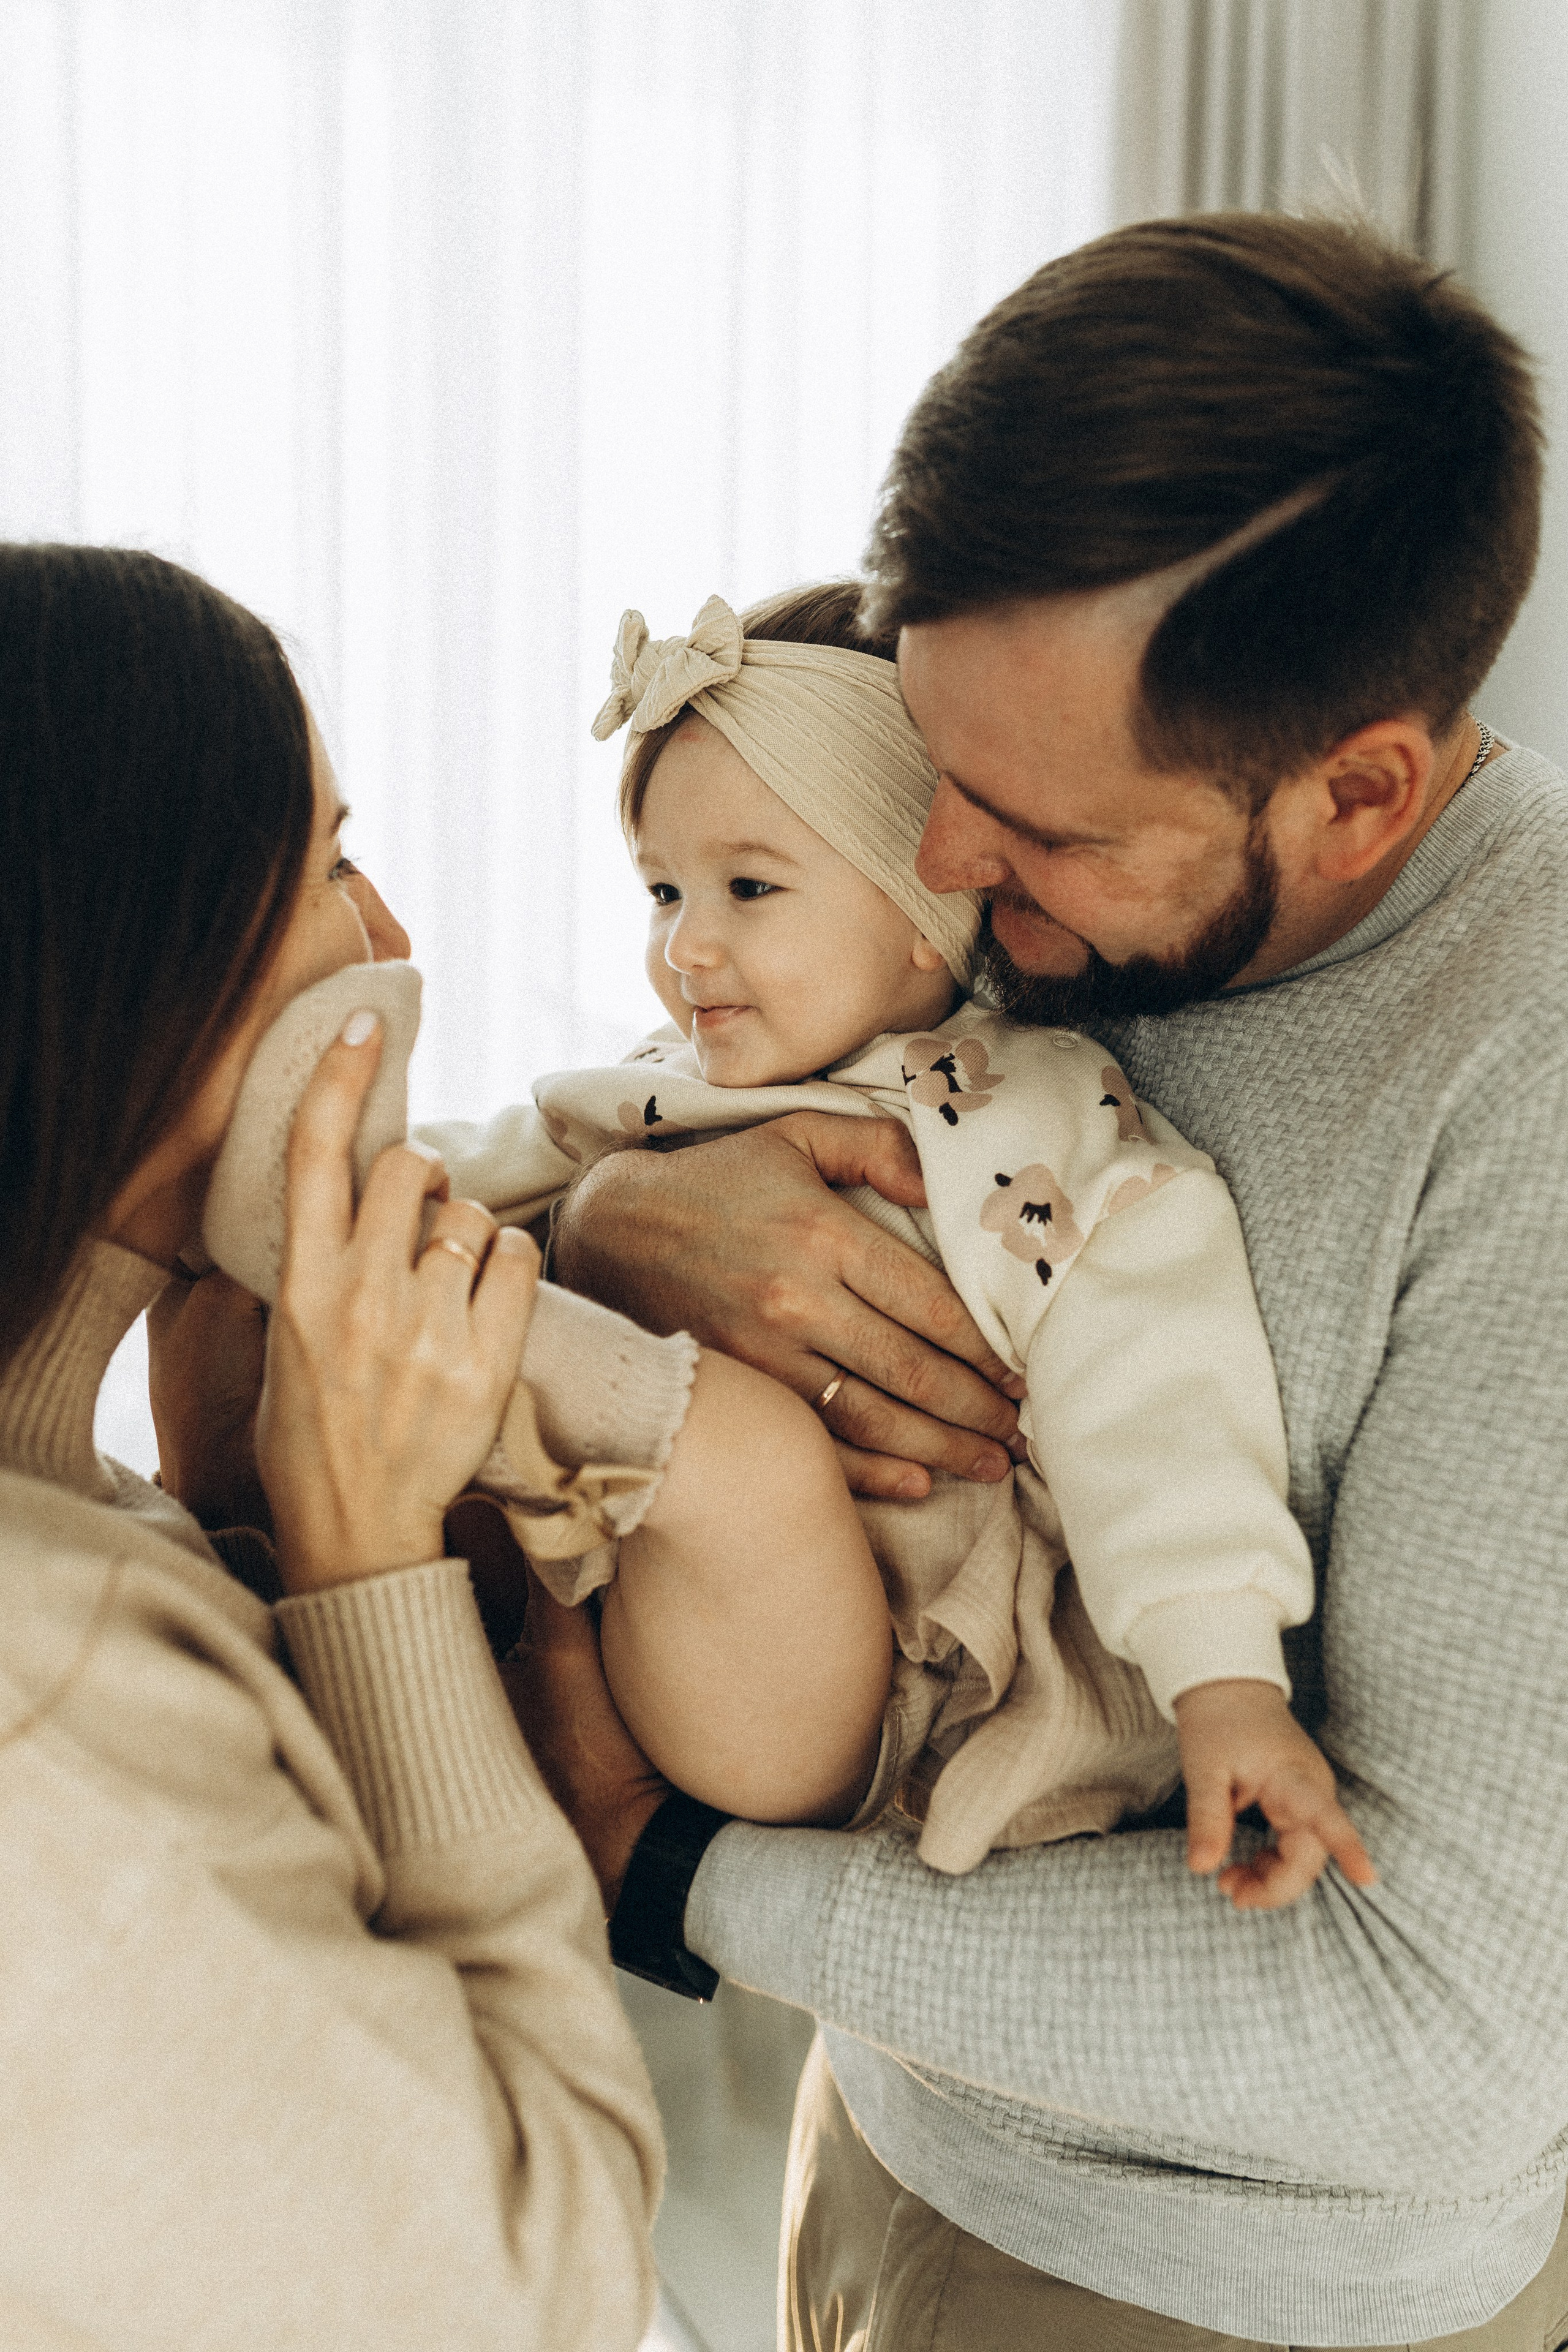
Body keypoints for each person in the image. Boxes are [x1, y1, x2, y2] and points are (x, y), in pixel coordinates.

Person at [521, 214, 1568, 2349]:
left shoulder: (1525, 1087)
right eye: (935, 777)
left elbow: (1434, 2028)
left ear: (1365, 785)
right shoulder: (1053, 816)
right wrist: (627, 1226)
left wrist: (670, 1879)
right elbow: (735, 1059)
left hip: (1221, 2291)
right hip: (899, 2120)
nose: (955, 878)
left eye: (1037, 830)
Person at [0, 540, 880, 2350]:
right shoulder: (50, 1699)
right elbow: (535, 2290)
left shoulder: (84, 1521)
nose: (391, 940)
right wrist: (366, 1575)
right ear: (124, 954)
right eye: (327, 861)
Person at [428, 577, 1374, 1905]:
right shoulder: (655, 1088)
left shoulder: (1029, 1115)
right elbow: (468, 1169)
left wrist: (1223, 1685)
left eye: (748, 887)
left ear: (923, 910)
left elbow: (1155, 1391)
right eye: (659, 890)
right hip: (631, 1598)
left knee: (663, 1416)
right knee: (376, 1267)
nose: (685, 946)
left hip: (874, 1685)